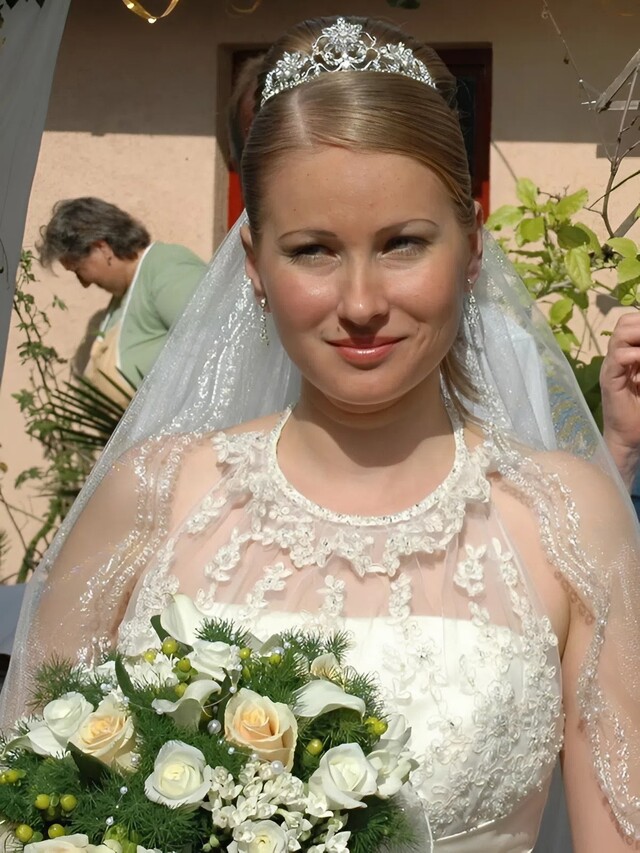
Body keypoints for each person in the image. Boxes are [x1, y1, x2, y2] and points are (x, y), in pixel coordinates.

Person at [2, 16, 639, 852]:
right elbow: (29, 803)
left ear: (472, 249)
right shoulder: (150, 498)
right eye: (313, 250)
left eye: (403, 243)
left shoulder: (568, 518)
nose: (362, 302)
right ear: (255, 265)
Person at [37, 197, 206, 403]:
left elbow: (214, 351)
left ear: (102, 248)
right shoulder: (121, 300)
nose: (84, 283)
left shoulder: (166, 269)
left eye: (79, 270)